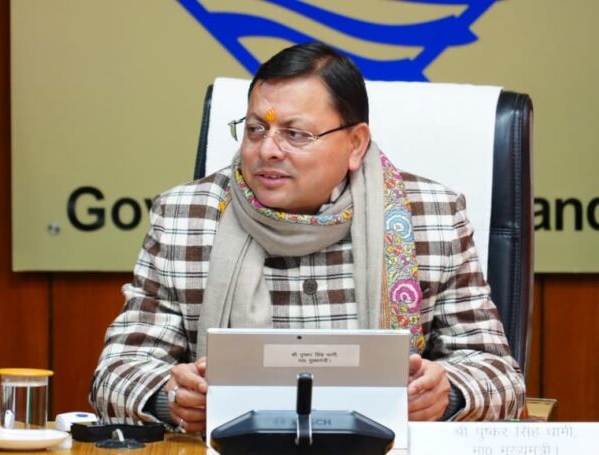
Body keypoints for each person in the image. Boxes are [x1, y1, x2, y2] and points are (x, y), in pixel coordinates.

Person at [90, 42, 525, 430]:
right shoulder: (185, 218)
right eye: (256, 129)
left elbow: (501, 375)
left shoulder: (430, 216)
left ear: (355, 144)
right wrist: (170, 398)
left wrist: (449, 394)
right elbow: (116, 373)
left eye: (295, 134)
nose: (268, 150)